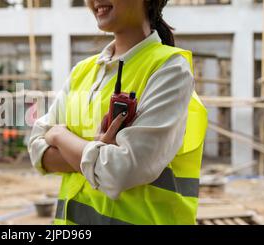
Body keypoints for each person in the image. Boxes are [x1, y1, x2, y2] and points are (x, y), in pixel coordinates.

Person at [28, 0, 207, 225]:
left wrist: (59, 136)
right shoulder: (82, 71)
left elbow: (122, 170)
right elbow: (36, 147)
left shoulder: (170, 69)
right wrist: (97, 153)